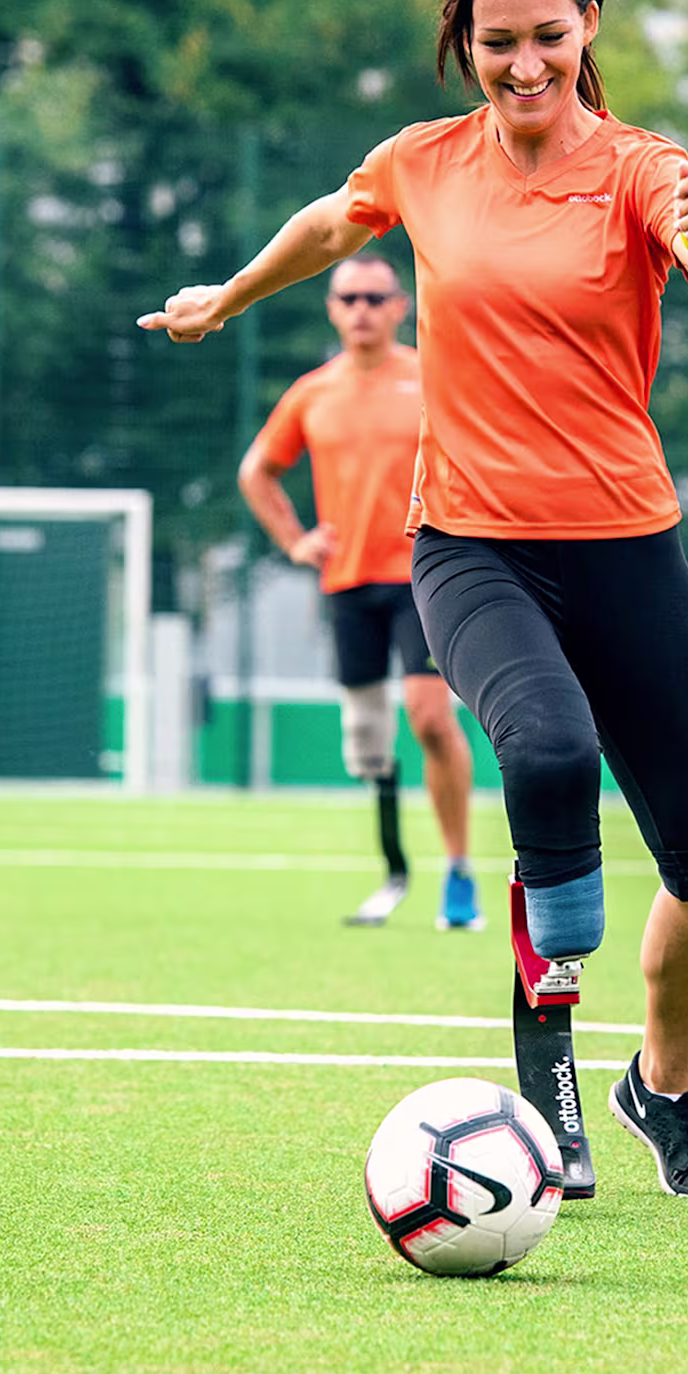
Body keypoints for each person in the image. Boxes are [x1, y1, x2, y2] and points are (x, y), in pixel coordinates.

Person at [140, 0, 688, 1196]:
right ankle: (549, 1082)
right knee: (548, 751)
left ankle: (662, 1088)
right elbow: (333, 225)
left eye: (547, 36)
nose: (523, 64)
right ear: (463, 42)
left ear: (588, 26)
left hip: (626, 547)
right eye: (496, 42)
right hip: (473, 546)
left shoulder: (642, 168)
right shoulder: (423, 163)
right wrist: (228, 298)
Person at [237, 254, 480, 931]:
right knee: (368, 743)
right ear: (332, 310)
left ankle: (459, 872)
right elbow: (257, 472)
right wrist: (295, 542)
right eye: (349, 298)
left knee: (429, 718)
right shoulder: (313, 393)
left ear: (400, 306)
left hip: (422, 576)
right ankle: (394, 869)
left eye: (375, 297)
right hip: (347, 582)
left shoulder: (432, 377)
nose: (362, 310)